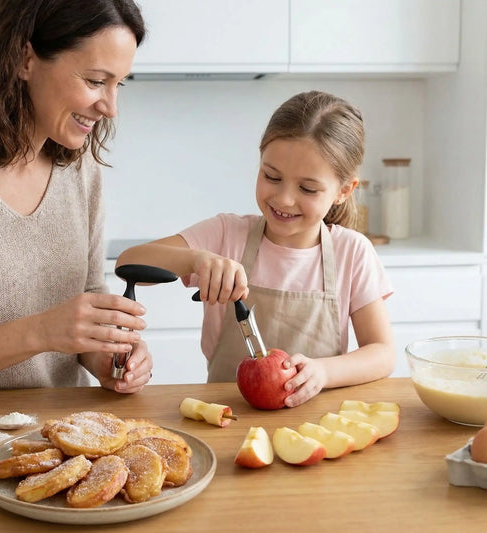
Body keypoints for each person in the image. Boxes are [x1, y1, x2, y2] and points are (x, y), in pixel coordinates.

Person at [117, 90, 395, 407]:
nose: (283, 198)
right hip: (225, 419)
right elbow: (129, 263)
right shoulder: (225, 234)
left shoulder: (352, 252)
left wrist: (323, 371)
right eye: (271, 176)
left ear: (344, 190)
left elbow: (383, 354)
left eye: (307, 188)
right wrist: (197, 259)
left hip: (315, 425)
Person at [0, 0, 152, 393]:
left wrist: (108, 355)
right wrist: (43, 331)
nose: (110, 108)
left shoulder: (80, 171)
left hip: (61, 436)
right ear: (24, 59)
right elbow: (53, 329)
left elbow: (89, 291)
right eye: (96, 81)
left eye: (119, 84)